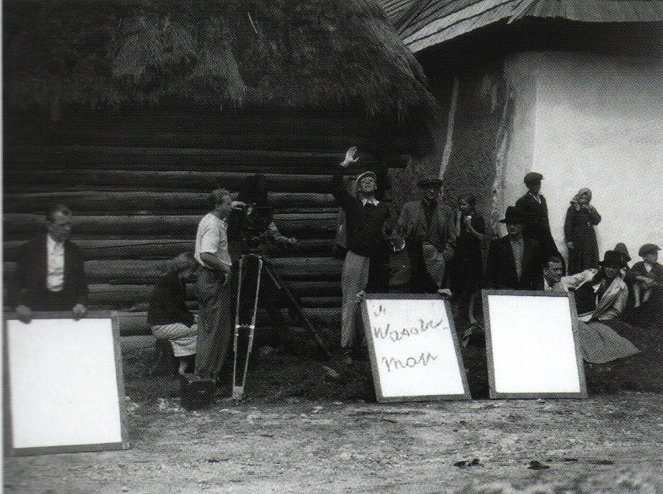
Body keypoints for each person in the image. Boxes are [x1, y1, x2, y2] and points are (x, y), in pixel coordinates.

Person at [333, 147, 390, 363]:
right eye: (362, 181)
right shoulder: (353, 205)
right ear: (358, 187)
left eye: (370, 181)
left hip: (377, 260)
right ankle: (348, 347)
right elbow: (335, 188)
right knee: (351, 301)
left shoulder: (383, 208)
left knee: (373, 300)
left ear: (376, 186)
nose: (367, 183)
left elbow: (386, 231)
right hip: (356, 257)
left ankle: (369, 346)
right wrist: (345, 164)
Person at [194, 188, 243, 380]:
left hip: (207, 278)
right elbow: (206, 254)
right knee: (216, 329)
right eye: (227, 203)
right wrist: (226, 269)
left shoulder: (210, 219)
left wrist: (235, 205)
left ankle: (205, 373)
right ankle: (207, 375)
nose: (231, 207)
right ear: (217, 205)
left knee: (209, 328)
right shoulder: (214, 226)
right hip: (214, 278)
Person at [11, 204, 88, 323]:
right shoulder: (31, 249)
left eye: (69, 224)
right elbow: (15, 284)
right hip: (35, 312)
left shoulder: (75, 251)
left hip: (66, 313)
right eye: (62, 225)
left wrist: (80, 304)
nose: (67, 229)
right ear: (49, 225)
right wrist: (19, 306)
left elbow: (82, 287)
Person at [570, 251, 640, 364]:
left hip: (592, 317)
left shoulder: (621, 287)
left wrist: (598, 318)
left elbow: (616, 310)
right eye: (608, 266)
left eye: (614, 267)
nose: (611, 270)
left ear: (619, 269)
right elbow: (568, 282)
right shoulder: (590, 275)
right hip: (572, 308)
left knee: (601, 337)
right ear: (603, 266)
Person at [398, 177, 456, 289]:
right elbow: (400, 230)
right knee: (414, 288)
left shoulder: (446, 210)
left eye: (435, 188)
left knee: (435, 290)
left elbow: (452, 237)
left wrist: (445, 255)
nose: (432, 191)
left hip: (436, 256)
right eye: (428, 188)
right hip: (413, 255)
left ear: (439, 191)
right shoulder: (410, 208)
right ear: (423, 190)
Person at [148, 253, 199, 375]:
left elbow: (178, 308)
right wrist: (192, 318)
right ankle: (184, 367)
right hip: (161, 326)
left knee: (198, 327)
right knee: (200, 329)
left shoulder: (178, 281)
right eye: (193, 270)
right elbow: (172, 310)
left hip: (169, 323)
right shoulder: (168, 282)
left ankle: (182, 367)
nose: (194, 273)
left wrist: (193, 316)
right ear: (185, 267)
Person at [486, 206, 543, 290]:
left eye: (515, 223)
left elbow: (538, 276)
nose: (512, 226)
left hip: (526, 295)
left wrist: (538, 298)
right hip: (503, 295)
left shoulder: (532, 246)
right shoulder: (497, 245)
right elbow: (489, 275)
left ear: (523, 224)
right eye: (509, 223)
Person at [450, 194, 485, 322]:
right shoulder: (459, 217)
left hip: (473, 255)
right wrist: (459, 219)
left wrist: (470, 227)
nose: (461, 207)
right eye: (460, 204)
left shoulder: (478, 218)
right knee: (459, 284)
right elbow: (457, 235)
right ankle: (456, 310)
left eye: (464, 204)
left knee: (473, 286)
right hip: (461, 254)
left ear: (471, 205)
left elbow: (481, 237)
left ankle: (470, 314)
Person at [515, 172, 559, 259]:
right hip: (531, 238)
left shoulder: (542, 199)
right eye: (533, 184)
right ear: (528, 186)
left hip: (545, 238)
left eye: (538, 183)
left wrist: (550, 242)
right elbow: (519, 222)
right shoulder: (522, 201)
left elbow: (546, 221)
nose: (537, 186)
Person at [564, 188, 601, 274]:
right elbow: (568, 224)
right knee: (578, 260)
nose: (583, 200)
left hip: (589, 239)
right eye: (582, 198)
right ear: (578, 197)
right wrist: (569, 239)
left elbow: (597, 220)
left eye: (586, 199)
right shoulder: (573, 208)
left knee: (589, 259)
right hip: (578, 239)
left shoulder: (589, 208)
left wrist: (591, 210)